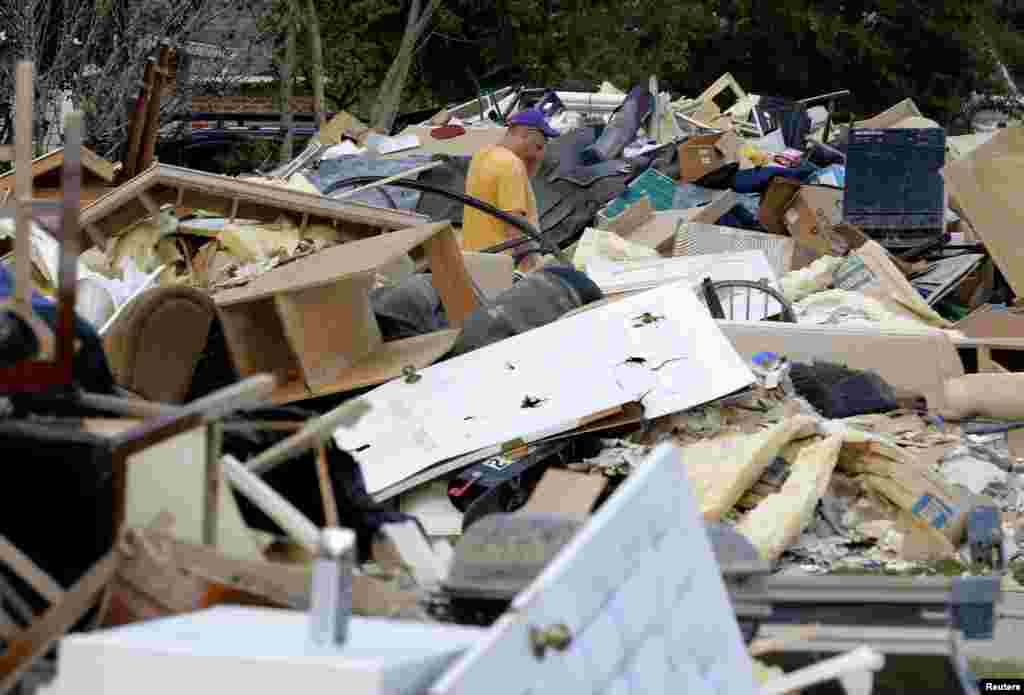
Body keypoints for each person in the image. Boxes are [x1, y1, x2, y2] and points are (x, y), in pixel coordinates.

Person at [461, 108, 559, 272]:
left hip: (475, 259)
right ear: (525, 135)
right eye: (539, 146)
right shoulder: (511, 165)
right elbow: (514, 227)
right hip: (503, 266)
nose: (538, 155)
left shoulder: (482, 155)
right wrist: (533, 267)